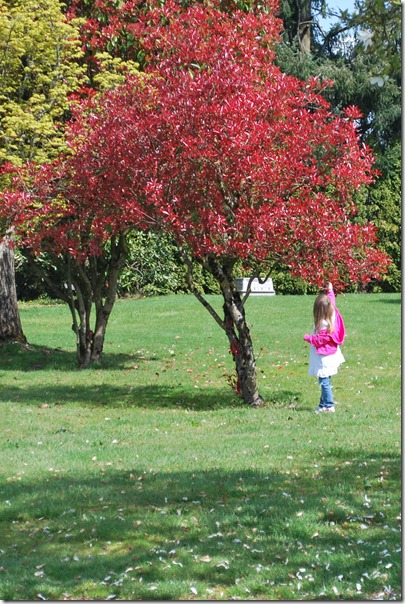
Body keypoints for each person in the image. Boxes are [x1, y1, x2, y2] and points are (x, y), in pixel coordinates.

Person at [303, 282, 345, 413]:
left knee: (324, 380)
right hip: (331, 354)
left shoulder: (323, 323)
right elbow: (331, 301)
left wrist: (309, 338)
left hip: (324, 356)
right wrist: (330, 290)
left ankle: (328, 405)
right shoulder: (332, 314)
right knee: (325, 379)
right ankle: (323, 404)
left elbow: (321, 340)